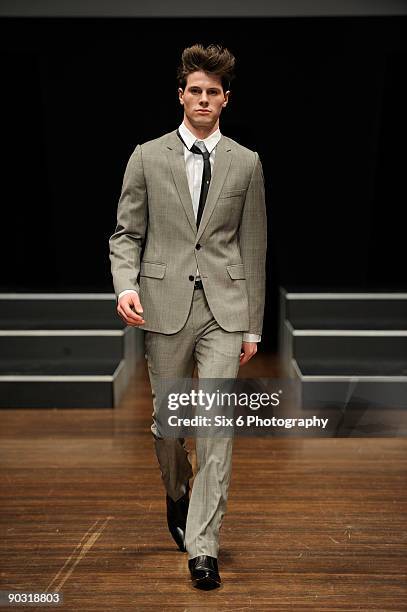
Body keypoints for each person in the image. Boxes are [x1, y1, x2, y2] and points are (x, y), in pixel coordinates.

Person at [109, 43, 267, 589]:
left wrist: (253, 325)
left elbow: (254, 245)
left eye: (213, 92)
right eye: (194, 90)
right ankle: (177, 492)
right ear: (181, 96)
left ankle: (204, 547)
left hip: (225, 308)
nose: (203, 99)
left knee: (216, 427)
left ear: (226, 100)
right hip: (165, 304)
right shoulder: (147, 156)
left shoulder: (246, 162)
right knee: (170, 427)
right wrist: (126, 285)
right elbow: (127, 233)